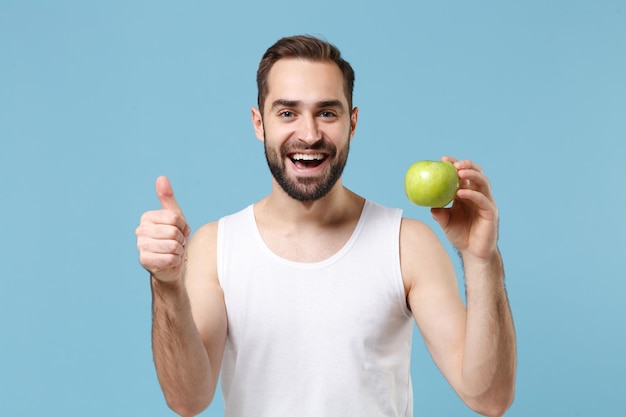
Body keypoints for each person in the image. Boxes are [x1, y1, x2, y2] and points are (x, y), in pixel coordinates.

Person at [135, 35, 516, 417]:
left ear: (352, 122)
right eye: (287, 113)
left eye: (327, 113)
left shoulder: (406, 244)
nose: (310, 134)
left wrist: (482, 259)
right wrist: (166, 286)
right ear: (258, 123)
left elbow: (489, 397)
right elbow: (188, 399)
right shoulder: (215, 246)